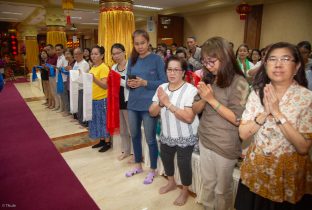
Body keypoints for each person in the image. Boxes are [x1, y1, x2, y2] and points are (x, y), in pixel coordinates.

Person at [235, 41, 312, 210]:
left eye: (285, 59)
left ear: (297, 66)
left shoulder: (306, 98)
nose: (278, 64)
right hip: (257, 167)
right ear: (266, 64)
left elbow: (303, 147)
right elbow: (243, 133)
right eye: (272, 59)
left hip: (287, 173)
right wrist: (264, 113)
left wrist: (277, 113)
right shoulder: (257, 92)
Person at [192, 37, 249, 210]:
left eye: (212, 61)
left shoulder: (239, 82)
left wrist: (211, 100)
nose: (208, 66)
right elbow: (195, 109)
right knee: (208, 183)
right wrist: (204, 99)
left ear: (225, 57)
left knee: (222, 190)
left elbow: (238, 119)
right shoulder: (209, 77)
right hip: (205, 139)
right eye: (205, 61)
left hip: (225, 145)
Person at [149, 56, 199, 206]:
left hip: (185, 135)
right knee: (167, 160)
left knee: (184, 165)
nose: (172, 73)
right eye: (169, 69)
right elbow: (152, 112)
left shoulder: (191, 90)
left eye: (176, 70)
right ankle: (171, 183)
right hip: (167, 134)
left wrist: (168, 103)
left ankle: (184, 191)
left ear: (183, 72)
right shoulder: (162, 88)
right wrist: (160, 103)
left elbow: (189, 117)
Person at [125, 29, 167, 184]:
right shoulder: (132, 59)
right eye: (137, 44)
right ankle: (138, 165)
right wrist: (130, 84)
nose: (140, 46)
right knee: (134, 135)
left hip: (149, 106)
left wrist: (145, 83)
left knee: (150, 139)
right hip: (133, 104)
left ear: (148, 42)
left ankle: (153, 169)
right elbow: (128, 84)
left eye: (142, 43)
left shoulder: (157, 59)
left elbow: (163, 83)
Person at [110, 43, 131, 160]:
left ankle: (136, 153)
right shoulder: (113, 67)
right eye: (114, 54)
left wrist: (118, 80)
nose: (116, 56)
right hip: (118, 101)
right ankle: (126, 151)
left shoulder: (131, 66)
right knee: (122, 129)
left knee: (132, 129)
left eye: (118, 53)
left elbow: (131, 85)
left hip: (129, 101)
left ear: (124, 52)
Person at [89, 45, 111, 152]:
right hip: (93, 98)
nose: (93, 56)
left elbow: (104, 85)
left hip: (102, 99)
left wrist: (94, 79)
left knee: (104, 121)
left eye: (96, 54)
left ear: (102, 55)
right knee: (97, 121)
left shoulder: (104, 68)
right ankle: (101, 140)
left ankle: (107, 142)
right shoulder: (93, 67)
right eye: (92, 54)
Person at [69, 47, 90, 126]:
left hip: (82, 88)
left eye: (77, 54)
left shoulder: (84, 64)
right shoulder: (76, 63)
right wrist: (72, 71)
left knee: (82, 106)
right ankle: (80, 120)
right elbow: (75, 74)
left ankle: (83, 122)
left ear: (81, 54)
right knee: (78, 106)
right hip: (76, 87)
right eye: (74, 54)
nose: (75, 56)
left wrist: (73, 71)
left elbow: (83, 78)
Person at [55, 44, 68, 112]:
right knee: (61, 95)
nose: (57, 51)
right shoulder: (58, 58)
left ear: (62, 50)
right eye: (56, 50)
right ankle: (63, 109)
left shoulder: (64, 58)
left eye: (59, 50)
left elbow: (65, 68)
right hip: (59, 79)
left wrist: (59, 68)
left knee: (64, 96)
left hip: (63, 79)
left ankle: (66, 110)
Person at [44, 44, 58, 109]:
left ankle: (58, 105)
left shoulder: (57, 57)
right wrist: (46, 67)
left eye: (49, 50)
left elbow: (58, 68)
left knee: (56, 91)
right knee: (52, 91)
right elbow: (47, 68)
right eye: (46, 50)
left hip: (55, 76)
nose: (48, 52)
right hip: (50, 75)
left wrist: (51, 66)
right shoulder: (49, 58)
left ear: (53, 49)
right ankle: (55, 104)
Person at [63, 48, 75, 116]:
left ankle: (75, 114)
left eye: (68, 54)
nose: (66, 56)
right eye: (65, 54)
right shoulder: (68, 62)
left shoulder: (75, 62)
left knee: (74, 99)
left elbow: (76, 72)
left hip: (74, 83)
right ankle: (72, 112)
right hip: (69, 81)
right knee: (69, 97)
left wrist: (70, 69)